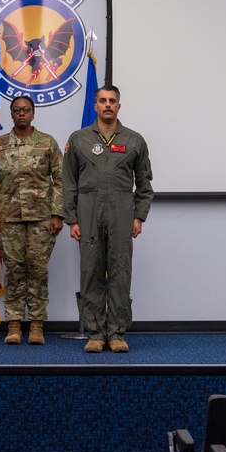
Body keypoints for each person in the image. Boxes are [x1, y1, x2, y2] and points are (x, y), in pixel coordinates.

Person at [63, 85, 153, 353]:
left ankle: (117, 333)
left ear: (119, 106)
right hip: (88, 212)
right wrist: (72, 219)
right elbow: (69, 183)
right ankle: (95, 333)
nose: (107, 105)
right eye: (102, 100)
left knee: (120, 272)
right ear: (95, 106)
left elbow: (145, 184)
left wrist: (139, 216)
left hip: (121, 213)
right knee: (90, 273)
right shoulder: (79, 139)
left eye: (112, 101)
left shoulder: (135, 140)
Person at [0, 95, 63, 345]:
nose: (21, 114)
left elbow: (61, 180)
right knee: (15, 271)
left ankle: (37, 325)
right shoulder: (0, 145)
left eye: (26, 110)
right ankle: (15, 324)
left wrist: (58, 213)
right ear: (11, 114)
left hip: (42, 219)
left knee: (37, 271)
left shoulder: (48, 143)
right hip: (8, 219)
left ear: (33, 113)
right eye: (16, 110)